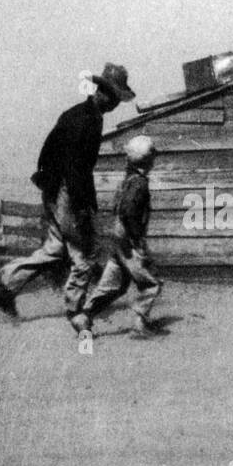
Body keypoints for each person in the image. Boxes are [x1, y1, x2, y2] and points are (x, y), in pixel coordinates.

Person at [0, 63, 135, 330]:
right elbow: (76, 169)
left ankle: (6, 284)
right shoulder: (88, 121)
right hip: (69, 193)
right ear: (102, 92)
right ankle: (76, 311)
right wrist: (79, 207)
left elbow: (47, 152)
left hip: (55, 190)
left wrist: (49, 187)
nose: (116, 104)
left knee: (55, 250)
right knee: (84, 256)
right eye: (114, 97)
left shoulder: (75, 114)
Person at [79, 135, 164, 338]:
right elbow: (128, 212)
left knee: (112, 284)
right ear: (147, 159)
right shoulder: (139, 184)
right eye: (152, 155)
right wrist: (137, 241)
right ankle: (139, 324)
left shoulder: (127, 180)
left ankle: (84, 316)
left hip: (117, 241)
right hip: (129, 242)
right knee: (151, 283)